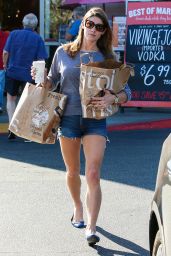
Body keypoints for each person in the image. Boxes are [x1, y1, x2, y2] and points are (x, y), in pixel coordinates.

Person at [32, 7, 131, 245]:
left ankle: (91, 226)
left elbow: (126, 90)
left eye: (99, 27)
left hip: (96, 121)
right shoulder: (63, 53)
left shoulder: (108, 59)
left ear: (104, 31)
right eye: (90, 24)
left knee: (94, 173)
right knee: (73, 172)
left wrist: (112, 98)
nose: (93, 30)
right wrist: (41, 80)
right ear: (82, 24)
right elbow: (52, 82)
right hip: (67, 119)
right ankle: (77, 207)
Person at [3, 13, 48, 140]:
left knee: (11, 99)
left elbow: (6, 52)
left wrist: (5, 64)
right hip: (30, 74)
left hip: (13, 71)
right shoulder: (37, 38)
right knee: (29, 102)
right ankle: (25, 129)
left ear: (23, 23)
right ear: (35, 25)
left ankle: (12, 127)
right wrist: (41, 78)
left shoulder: (13, 34)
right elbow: (41, 60)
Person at [0, 25, 9, 113]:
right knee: (0, 86)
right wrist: (5, 63)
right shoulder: (6, 36)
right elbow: (6, 51)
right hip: (1, 64)